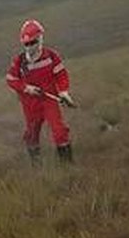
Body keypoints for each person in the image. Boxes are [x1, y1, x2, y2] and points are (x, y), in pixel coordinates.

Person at [6, 19, 77, 164]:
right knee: (32, 134)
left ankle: (67, 166)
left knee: (59, 131)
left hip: (49, 99)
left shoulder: (51, 56)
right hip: (30, 103)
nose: (30, 47)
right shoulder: (19, 62)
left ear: (40, 39)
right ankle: (36, 164)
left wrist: (64, 92)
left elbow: (61, 74)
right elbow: (11, 79)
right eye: (26, 44)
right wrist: (27, 88)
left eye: (33, 42)